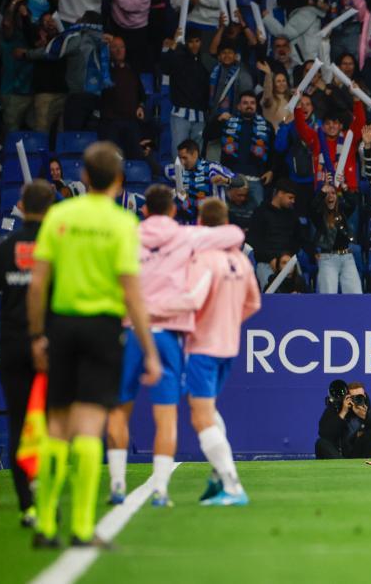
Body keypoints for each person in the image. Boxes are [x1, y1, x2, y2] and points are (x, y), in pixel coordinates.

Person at [27, 142, 161, 548]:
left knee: (56, 428)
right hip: (103, 330)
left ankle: (46, 522)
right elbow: (132, 292)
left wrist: (36, 335)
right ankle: (83, 527)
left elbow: (38, 283)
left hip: (62, 326)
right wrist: (149, 349)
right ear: (119, 180)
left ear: (82, 176)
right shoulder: (123, 224)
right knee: (89, 428)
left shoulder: (60, 216)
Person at [105, 186, 245, 508]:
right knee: (165, 416)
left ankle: (117, 483)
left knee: (119, 409)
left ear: (143, 210)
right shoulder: (186, 236)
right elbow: (235, 233)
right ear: (171, 211)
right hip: (167, 334)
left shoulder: (128, 235)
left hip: (129, 331)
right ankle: (161, 491)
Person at [0, 181, 56, 523]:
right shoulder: (58, 248)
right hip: (49, 348)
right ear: (51, 207)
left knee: (20, 421)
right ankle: (46, 492)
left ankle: (27, 503)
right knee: (50, 422)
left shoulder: (3, 248)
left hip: (12, 347)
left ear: (21, 204)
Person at [174, 198, 262, 506]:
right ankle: (217, 476)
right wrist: (228, 321)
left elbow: (191, 301)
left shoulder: (203, 258)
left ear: (200, 222)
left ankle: (232, 484)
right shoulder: (239, 258)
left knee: (200, 417)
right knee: (208, 411)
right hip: (229, 345)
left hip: (203, 347)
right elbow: (254, 303)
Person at [315, 381, 371, 459]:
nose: (357, 400)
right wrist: (343, 412)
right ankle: (343, 467)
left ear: (365, 396)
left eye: (360, 397)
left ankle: (367, 468)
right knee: (321, 443)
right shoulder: (336, 410)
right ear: (347, 397)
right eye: (353, 397)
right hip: (338, 456)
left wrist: (365, 416)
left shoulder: (369, 411)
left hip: (358, 455)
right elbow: (324, 434)